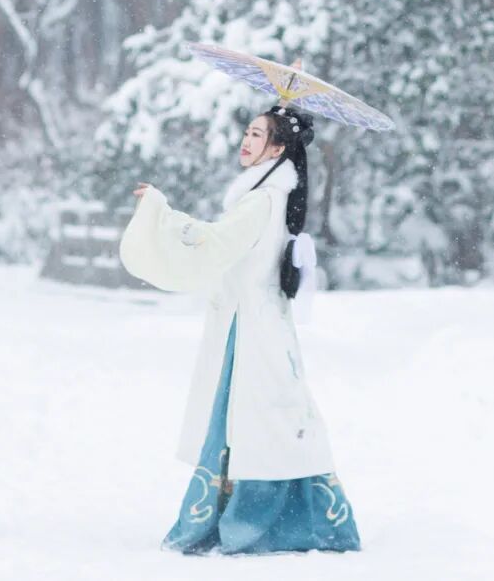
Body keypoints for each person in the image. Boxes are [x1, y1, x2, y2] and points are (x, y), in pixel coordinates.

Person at [119, 102, 362, 556]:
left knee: (252, 423)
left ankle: (249, 524)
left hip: (251, 329)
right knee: (270, 422)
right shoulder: (274, 196)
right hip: (263, 324)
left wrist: (162, 211)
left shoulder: (261, 200)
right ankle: (298, 520)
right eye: (247, 132)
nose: (246, 141)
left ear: (278, 148)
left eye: (257, 134)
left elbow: (215, 243)